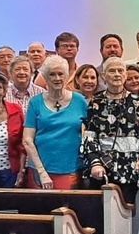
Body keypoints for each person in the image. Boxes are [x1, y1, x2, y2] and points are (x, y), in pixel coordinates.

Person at [80, 59, 139, 234]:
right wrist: (95, 163)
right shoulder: (95, 102)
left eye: (120, 70)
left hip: (129, 168)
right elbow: (89, 137)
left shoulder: (137, 102)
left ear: (126, 75)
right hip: (102, 168)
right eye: (112, 71)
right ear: (104, 76)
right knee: (99, 218)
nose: (117, 74)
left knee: (124, 217)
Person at [22, 57, 89, 190]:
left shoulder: (80, 101)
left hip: (71, 169)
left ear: (67, 76)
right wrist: (42, 172)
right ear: (45, 77)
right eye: (52, 74)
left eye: (60, 74)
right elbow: (27, 139)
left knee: (67, 209)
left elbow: (88, 134)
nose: (57, 78)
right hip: (40, 170)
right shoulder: (35, 102)